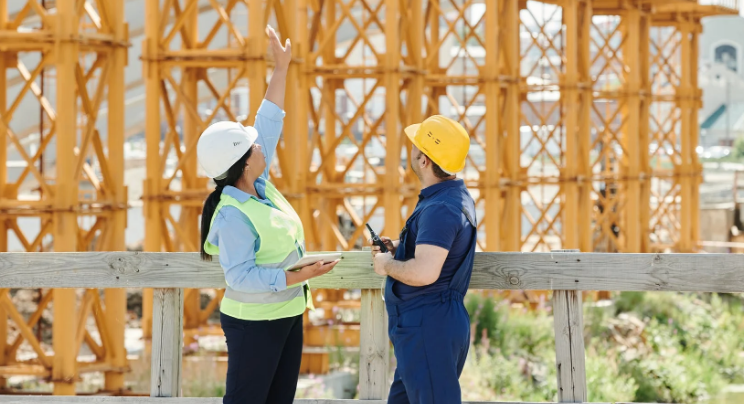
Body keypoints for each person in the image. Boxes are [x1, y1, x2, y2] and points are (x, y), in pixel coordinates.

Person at [197, 26, 339, 404]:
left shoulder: (259, 185)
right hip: (253, 322)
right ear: (244, 163)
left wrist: (282, 67)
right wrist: (298, 275)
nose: (260, 143)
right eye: (252, 145)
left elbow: (269, 121)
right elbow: (240, 275)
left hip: (288, 311)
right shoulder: (232, 215)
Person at [371, 115, 477, 404]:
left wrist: (386, 265)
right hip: (428, 325)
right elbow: (438, 249)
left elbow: (426, 272)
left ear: (424, 161)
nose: (412, 152)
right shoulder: (453, 198)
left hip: (427, 324)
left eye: (416, 147)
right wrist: (402, 247)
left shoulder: (441, 207)